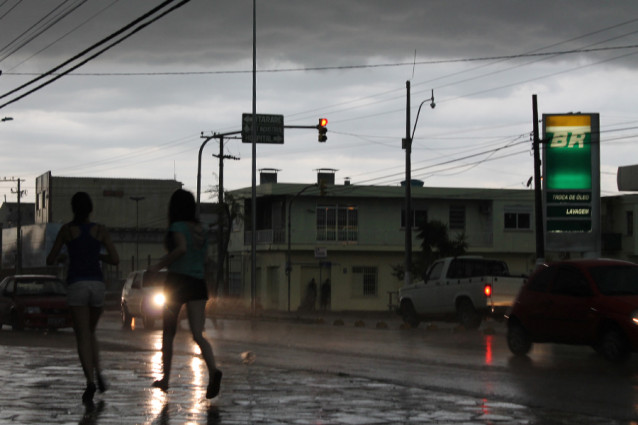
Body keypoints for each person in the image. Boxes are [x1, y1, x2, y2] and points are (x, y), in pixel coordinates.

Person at [46, 192, 119, 405]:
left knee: (82, 336)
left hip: (77, 284)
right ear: (90, 209)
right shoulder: (100, 230)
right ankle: (99, 372)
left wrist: (65, 256)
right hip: (97, 285)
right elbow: (115, 259)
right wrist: (97, 255)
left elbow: (50, 259)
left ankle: (90, 381)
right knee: (91, 332)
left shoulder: (67, 230)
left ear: (73, 209)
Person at [148, 188, 222, 399]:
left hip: (177, 282)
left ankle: (165, 379)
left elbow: (181, 249)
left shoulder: (177, 226)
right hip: (198, 283)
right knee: (198, 334)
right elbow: (205, 259)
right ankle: (214, 371)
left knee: (168, 332)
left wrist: (158, 266)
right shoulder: (201, 230)